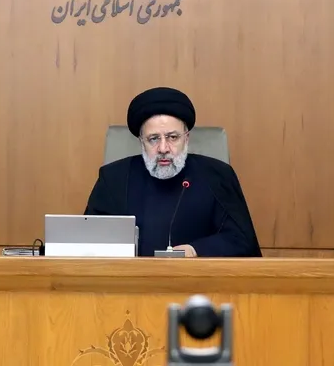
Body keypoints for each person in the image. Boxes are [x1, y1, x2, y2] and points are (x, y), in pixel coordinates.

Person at [84, 87, 261, 257]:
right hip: (130, 277)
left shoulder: (217, 175)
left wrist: (195, 250)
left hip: (197, 276)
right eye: (153, 139)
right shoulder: (114, 178)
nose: (163, 148)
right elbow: (88, 242)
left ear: (186, 138)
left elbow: (243, 241)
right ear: (141, 142)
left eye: (173, 137)